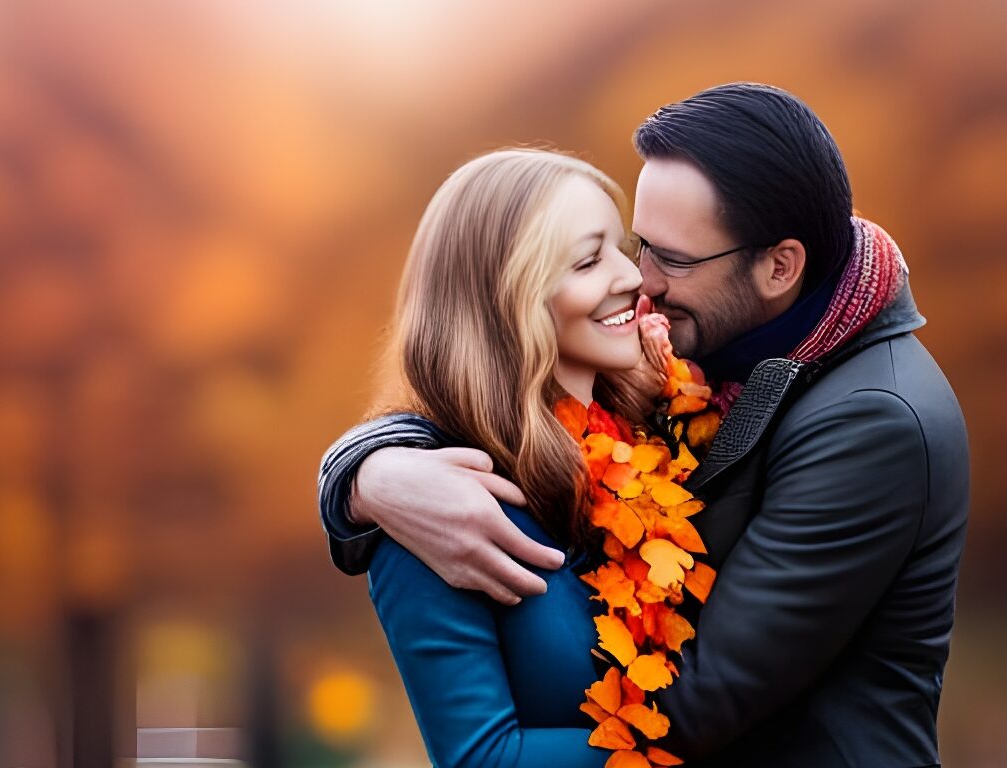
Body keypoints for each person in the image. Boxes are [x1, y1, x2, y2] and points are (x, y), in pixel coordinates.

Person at [320, 84, 970, 767]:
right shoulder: (683, 373)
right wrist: (363, 475)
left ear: (781, 266)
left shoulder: (868, 420)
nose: (642, 279)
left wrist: (363, 480)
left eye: (673, 259)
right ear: (508, 303)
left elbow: (696, 705)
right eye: (631, 247)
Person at [352, 147, 669, 767]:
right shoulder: (438, 503)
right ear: (510, 302)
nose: (632, 277)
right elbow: (482, 758)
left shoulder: (662, 425)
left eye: (622, 248)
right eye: (587, 260)